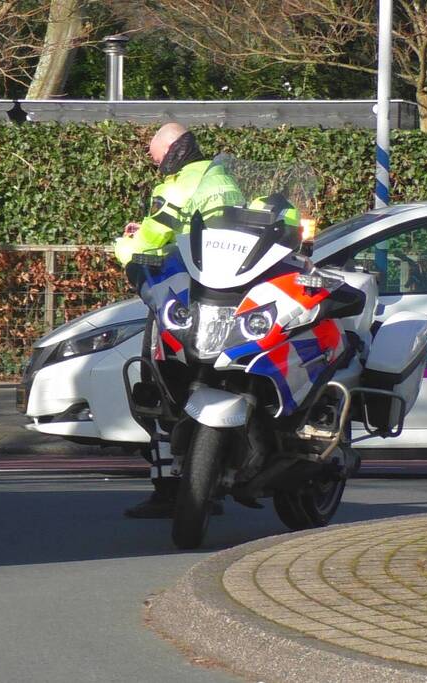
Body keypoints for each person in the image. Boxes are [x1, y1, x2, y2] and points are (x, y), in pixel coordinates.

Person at [117, 123, 245, 519]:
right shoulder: (223, 178)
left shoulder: (178, 184)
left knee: (158, 389)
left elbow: (151, 240)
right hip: (223, 299)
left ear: (171, 148)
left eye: (154, 154)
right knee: (215, 380)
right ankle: (211, 480)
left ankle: (169, 490)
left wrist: (126, 246)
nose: (153, 162)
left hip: (179, 298)